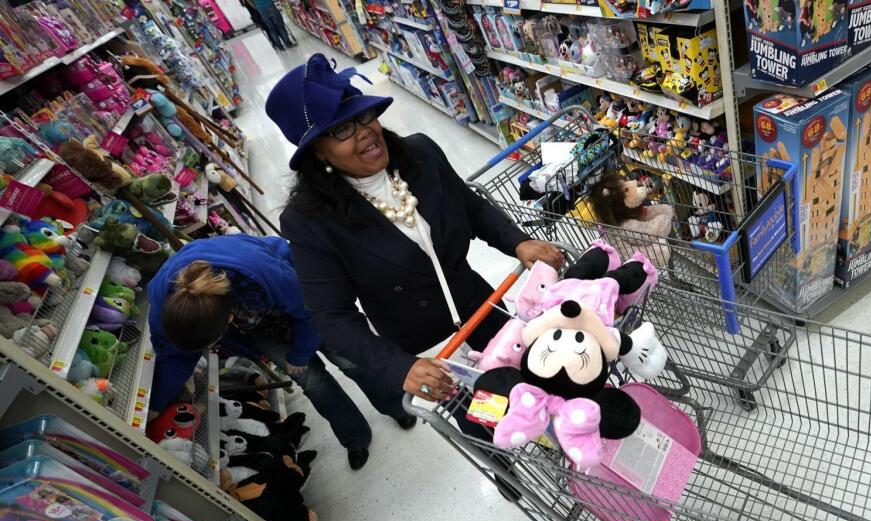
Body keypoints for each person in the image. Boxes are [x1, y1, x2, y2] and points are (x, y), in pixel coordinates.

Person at [264, 55, 563, 486]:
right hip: (431, 353)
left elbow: (471, 206)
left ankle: (571, 446)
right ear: (316, 152)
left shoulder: (420, 153)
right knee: (487, 419)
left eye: (362, 115)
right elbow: (332, 316)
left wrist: (516, 240)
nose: (365, 130)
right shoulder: (310, 221)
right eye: (342, 129)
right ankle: (513, 477)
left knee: (534, 382)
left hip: (483, 311)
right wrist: (399, 367)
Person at [147, 235, 414, 470]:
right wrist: (156, 407)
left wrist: (299, 355)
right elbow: (177, 357)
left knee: (348, 358)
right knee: (312, 382)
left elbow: (310, 311)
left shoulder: (257, 270)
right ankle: (354, 437)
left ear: (229, 319)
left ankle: (395, 405)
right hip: (257, 328)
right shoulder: (165, 313)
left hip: (302, 299)